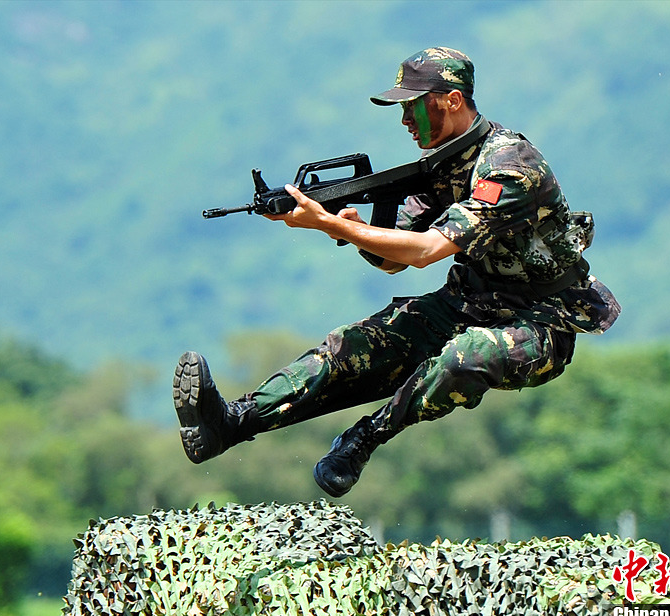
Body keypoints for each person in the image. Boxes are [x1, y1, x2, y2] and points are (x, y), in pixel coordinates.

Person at [173, 47, 620, 497]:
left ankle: (365, 438)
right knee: (351, 347)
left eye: (414, 106)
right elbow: (393, 259)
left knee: (463, 357)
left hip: (542, 322)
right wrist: (352, 230)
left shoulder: (509, 167)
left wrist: (328, 223)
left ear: (452, 100)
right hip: (468, 303)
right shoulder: (442, 165)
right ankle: (229, 424)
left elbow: (428, 251)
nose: (405, 120)